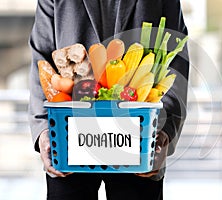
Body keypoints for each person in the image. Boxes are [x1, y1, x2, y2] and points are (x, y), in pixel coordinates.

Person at [28, 0, 189, 199]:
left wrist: (165, 132)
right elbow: (41, 58)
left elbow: (176, 61)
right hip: (68, 136)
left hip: (139, 135)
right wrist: (44, 130)